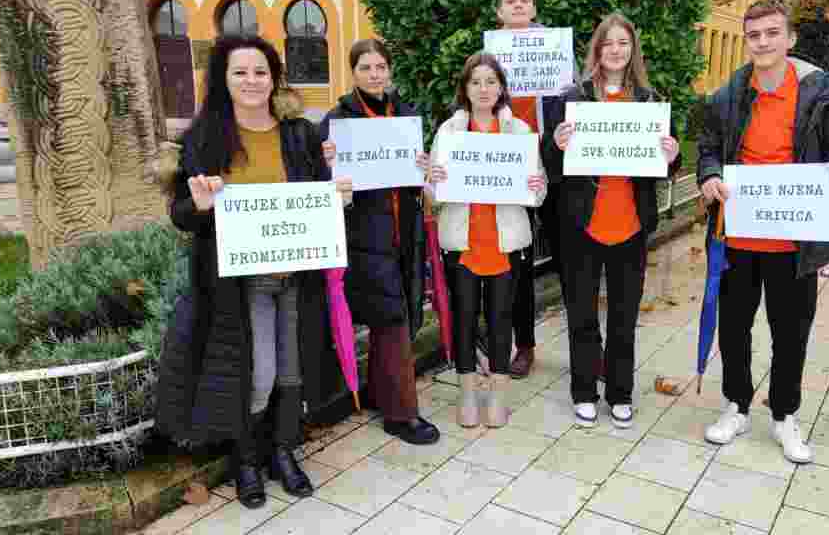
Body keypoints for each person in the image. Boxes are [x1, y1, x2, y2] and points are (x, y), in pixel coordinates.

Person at [155, 35, 352, 508]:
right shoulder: (204, 138)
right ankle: (247, 460)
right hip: (239, 284)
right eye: (240, 72)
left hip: (295, 276)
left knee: (291, 369)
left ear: (274, 78)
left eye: (260, 72)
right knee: (257, 373)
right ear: (223, 79)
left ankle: (283, 452)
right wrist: (198, 204)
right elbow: (180, 213)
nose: (251, 81)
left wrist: (337, 195)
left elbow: (317, 194)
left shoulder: (298, 132)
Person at [697, 0, 829, 463]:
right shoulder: (728, 94)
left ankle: (785, 415)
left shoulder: (816, 91)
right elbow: (708, 149)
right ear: (747, 42)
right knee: (734, 327)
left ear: (789, 39)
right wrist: (709, 176)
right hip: (737, 236)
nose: (763, 42)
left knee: (790, 332)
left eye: (772, 33)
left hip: (795, 240)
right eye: (754, 35)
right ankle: (736, 405)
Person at [543, 12, 681, 428]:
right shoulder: (575, 98)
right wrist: (556, 143)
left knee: (623, 318)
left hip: (630, 225)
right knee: (582, 314)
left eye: (623, 42)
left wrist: (673, 156)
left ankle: (620, 393)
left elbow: (666, 165)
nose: (616, 50)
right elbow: (550, 163)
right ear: (597, 50)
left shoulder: (650, 101)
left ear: (632, 49)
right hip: (581, 225)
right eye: (608, 43)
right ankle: (584, 391)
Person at [319, 39, 440, 446]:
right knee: (392, 321)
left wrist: (423, 167)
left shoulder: (404, 114)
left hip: (404, 233)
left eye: (380, 67)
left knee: (394, 314)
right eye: (366, 67)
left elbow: (415, 178)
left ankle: (378, 393)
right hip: (363, 236)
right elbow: (323, 183)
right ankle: (402, 414)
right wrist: (330, 166)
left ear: (390, 71)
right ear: (352, 73)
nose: (374, 74)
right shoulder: (337, 122)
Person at [492, 0, 602, 379]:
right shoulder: (490, 54)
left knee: (571, 259)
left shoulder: (555, 47)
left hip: (556, 164)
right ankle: (524, 346)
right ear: (499, 11)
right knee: (517, 261)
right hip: (509, 167)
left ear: (534, 9)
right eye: (510, 0)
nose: (518, 5)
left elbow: (577, 99)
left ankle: (588, 350)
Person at [429, 52, 547, 427]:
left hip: (505, 243)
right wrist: (433, 180)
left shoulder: (520, 133)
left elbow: (539, 190)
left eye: (490, 82)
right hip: (462, 242)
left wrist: (536, 185)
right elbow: (433, 194)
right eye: (476, 82)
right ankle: (467, 393)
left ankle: (497, 395)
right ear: (465, 88)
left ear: (501, 88)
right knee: (464, 320)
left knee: (501, 320)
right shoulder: (449, 133)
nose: (483, 89)